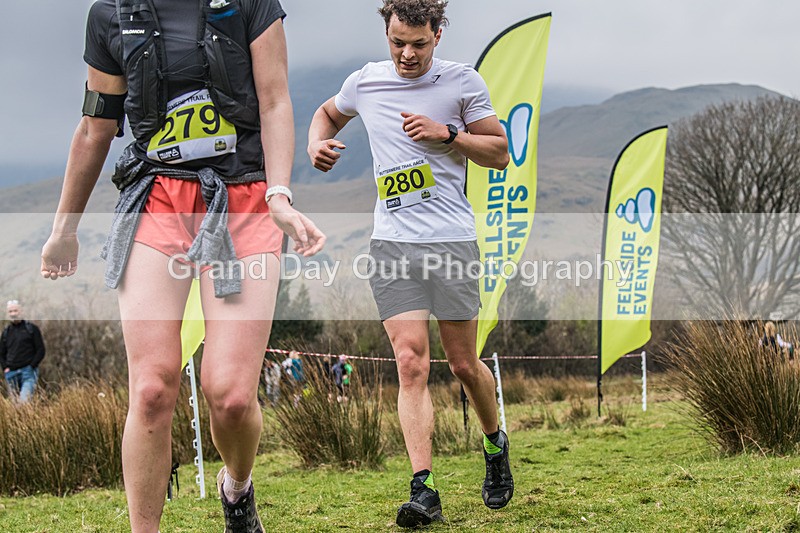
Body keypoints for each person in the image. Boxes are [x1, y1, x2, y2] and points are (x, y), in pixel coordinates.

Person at [40, 1, 325, 531]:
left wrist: (280, 193)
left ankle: (236, 489)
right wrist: (64, 229)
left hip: (244, 201)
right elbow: (94, 128)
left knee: (232, 396)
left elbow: (275, 100)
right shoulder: (110, 15)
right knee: (151, 389)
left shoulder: (251, 3)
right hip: (157, 201)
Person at [308, 0, 513, 527]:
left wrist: (447, 135)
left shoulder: (462, 83)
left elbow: (499, 151)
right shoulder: (367, 81)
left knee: (464, 364)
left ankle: (494, 444)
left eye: (418, 43)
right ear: (388, 33)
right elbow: (329, 111)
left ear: (438, 35)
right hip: (392, 244)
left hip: (451, 242)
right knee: (410, 361)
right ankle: (424, 489)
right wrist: (317, 142)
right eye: (398, 42)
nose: (406, 54)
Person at [1, 300, 46, 403]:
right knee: (14, 407)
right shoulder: (6, 332)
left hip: (28, 372)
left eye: (15, 311)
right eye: (10, 311)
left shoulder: (31, 329)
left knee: (24, 403)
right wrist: (5, 368)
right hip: (11, 374)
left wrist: (32, 366)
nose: (13, 314)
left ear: (21, 311)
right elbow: (1, 353)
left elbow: (41, 350)